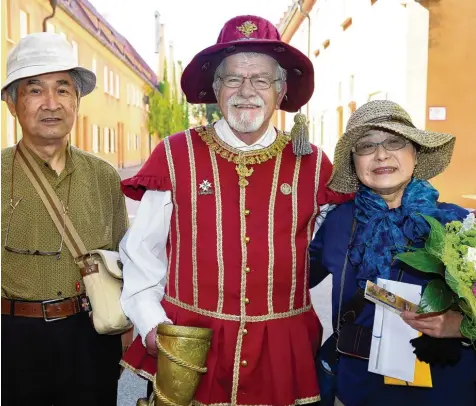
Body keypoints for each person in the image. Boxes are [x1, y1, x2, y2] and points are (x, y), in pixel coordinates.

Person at [120, 15, 351, 406]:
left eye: (261, 79)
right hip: (191, 345)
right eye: (233, 79)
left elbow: (339, 248)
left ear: (281, 90)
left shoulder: (314, 164)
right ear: (215, 88)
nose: (247, 91)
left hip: (281, 353)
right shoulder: (176, 155)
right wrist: (151, 324)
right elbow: (141, 252)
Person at [310, 100, 476, 406]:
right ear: (354, 162)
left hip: (446, 389)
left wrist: (460, 324)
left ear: (415, 153)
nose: (381, 154)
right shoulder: (336, 222)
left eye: (394, 142)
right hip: (359, 389)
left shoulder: (459, 224)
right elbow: (284, 276)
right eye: (366, 146)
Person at [1, 32, 128, 405]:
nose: (51, 103)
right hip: (12, 338)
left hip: (89, 336)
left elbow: (125, 260)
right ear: (12, 102)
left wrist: (125, 333)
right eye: (35, 90)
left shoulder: (104, 176)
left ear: (77, 101)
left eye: (63, 89)